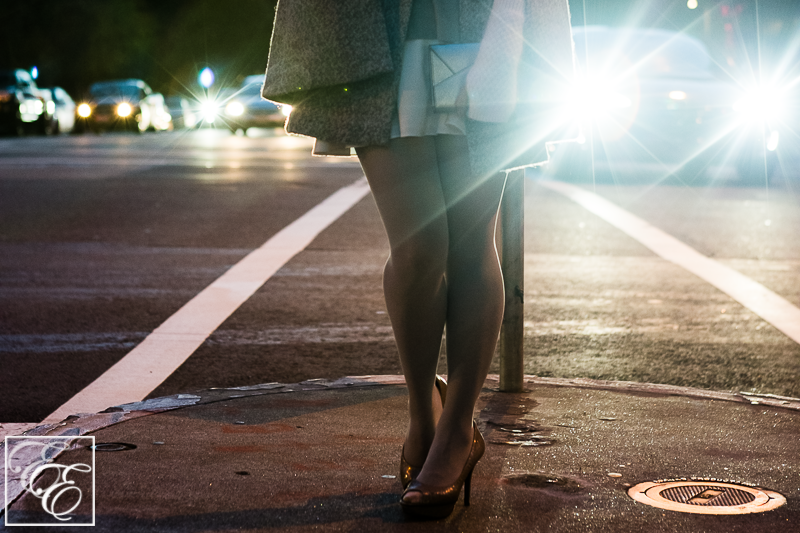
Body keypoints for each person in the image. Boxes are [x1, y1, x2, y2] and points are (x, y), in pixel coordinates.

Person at [263, 0, 574, 519]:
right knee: (418, 246)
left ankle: (456, 430)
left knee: (472, 244)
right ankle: (421, 411)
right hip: (382, 43)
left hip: (490, 37)